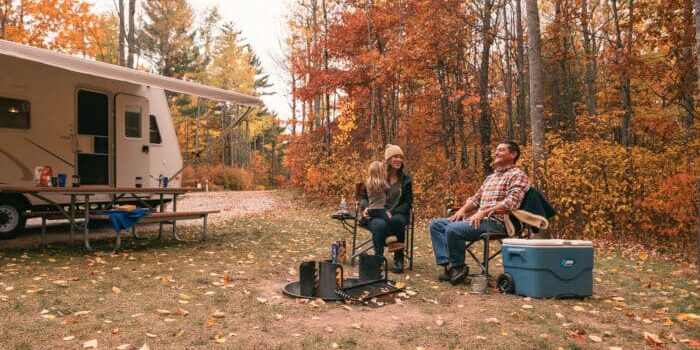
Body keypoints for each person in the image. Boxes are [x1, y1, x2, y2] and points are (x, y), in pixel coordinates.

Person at [429, 141, 530, 285]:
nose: (496, 153)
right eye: (496, 150)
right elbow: (476, 199)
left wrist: (483, 213)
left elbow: (511, 203)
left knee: (452, 229)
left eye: (501, 150)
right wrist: (463, 210)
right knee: (437, 225)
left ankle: (458, 267)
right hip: (479, 219)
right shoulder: (491, 177)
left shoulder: (518, 175)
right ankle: (450, 266)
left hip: (498, 222)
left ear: (513, 154)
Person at [362, 144, 413, 273]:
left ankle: (399, 259)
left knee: (396, 221)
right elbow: (364, 197)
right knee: (379, 225)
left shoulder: (406, 179)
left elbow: (407, 203)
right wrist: (365, 208)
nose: (398, 160)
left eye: (400, 157)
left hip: (397, 213)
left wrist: (392, 212)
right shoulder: (379, 174)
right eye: (395, 157)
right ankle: (378, 260)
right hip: (376, 212)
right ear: (388, 159)